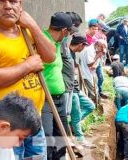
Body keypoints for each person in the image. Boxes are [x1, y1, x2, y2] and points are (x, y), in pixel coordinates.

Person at [0, 0, 56, 159]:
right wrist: (27, 66)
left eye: (13, 1)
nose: (8, 6)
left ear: (20, 5)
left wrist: (33, 26)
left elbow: (50, 56)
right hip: (2, 124)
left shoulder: (26, 31)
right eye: (0, 1)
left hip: (33, 120)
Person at [41, 12, 77, 160]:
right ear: (64, 30)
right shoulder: (42, 40)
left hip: (60, 98)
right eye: (68, 32)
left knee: (62, 135)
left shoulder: (57, 44)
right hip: (45, 99)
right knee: (48, 136)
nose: (68, 36)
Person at [69, 34, 96, 148]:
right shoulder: (66, 54)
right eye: (84, 46)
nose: (83, 49)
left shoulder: (72, 54)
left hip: (76, 88)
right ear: (81, 44)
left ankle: (72, 125)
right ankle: (80, 139)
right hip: (70, 89)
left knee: (90, 106)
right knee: (76, 116)